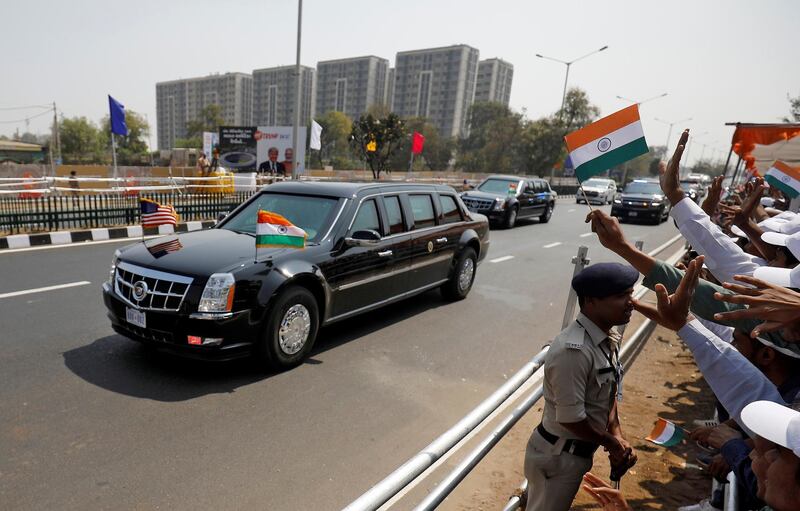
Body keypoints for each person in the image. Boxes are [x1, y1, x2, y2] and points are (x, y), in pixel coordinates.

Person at [524, 263, 638, 511]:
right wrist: (612, 443)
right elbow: (571, 418)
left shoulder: (606, 338)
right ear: (590, 301)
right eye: (621, 296)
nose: (632, 302)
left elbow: (607, 394)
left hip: (575, 454)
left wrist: (617, 435)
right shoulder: (573, 351)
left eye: (631, 293)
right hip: (557, 458)